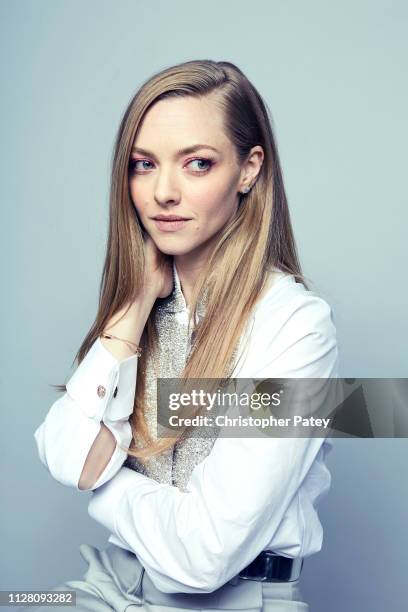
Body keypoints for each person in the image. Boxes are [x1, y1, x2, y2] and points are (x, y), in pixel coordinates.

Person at [27, 59, 339, 611]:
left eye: (197, 163)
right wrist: (129, 313)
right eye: (143, 164)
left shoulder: (296, 328)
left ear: (249, 170)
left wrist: (102, 481)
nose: (162, 192)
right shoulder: (144, 302)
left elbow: (205, 554)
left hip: (239, 599)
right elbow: (59, 450)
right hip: (114, 587)